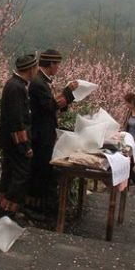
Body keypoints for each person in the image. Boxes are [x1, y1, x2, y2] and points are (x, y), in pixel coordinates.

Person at [27, 49, 78, 217]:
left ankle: (39, 206)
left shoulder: (44, 81)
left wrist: (66, 96)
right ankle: (33, 208)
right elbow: (49, 106)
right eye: (57, 64)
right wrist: (68, 93)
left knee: (43, 170)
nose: (58, 68)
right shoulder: (38, 83)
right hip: (40, 134)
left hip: (46, 132)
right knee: (39, 169)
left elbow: (53, 104)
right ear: (50, 64)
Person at [0, 54, 39, 218]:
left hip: (9, 140)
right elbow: (17, 120)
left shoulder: (15, 84)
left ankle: (3, 207)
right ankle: (8, 209)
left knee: (9, 173)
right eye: (35, 68)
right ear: (30, 69)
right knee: (20, 175)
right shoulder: (17, 87)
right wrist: (25, 146)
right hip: (15, 141)